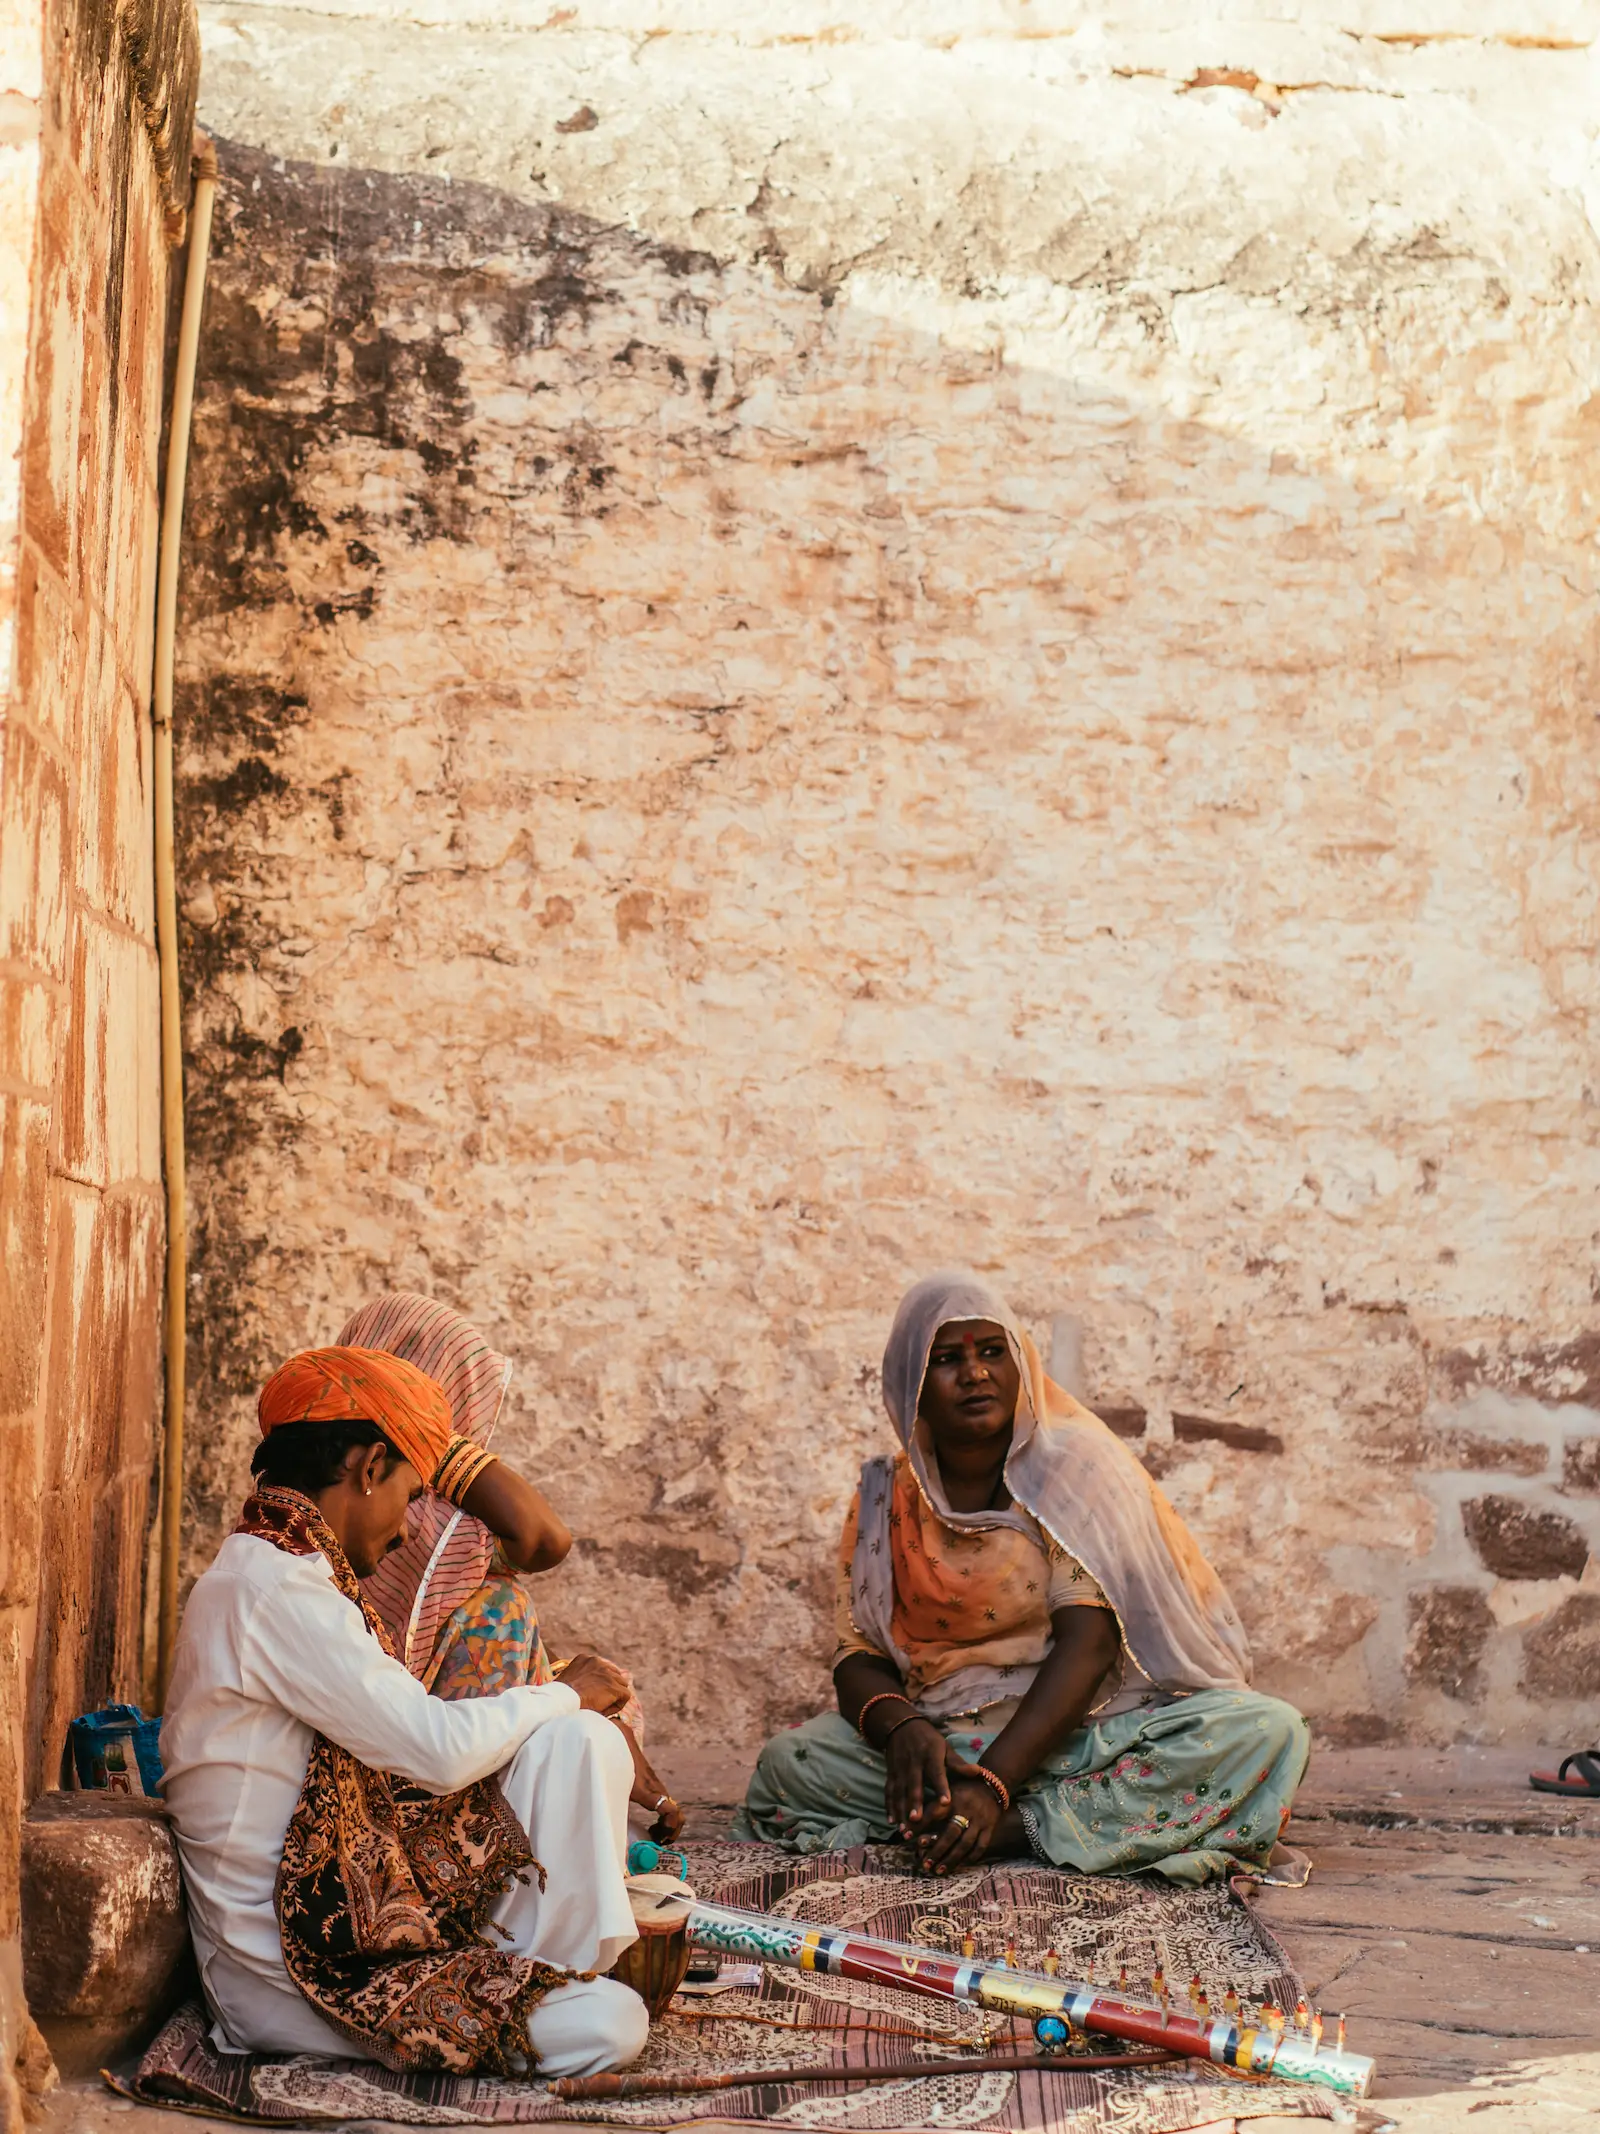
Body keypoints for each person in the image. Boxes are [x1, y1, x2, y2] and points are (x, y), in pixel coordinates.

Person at [161, 1346, 649, 2075]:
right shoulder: (271, 1590)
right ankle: (537, 1989)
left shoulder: (285, 1572)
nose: (412, 1526)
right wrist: (562, 1688)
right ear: (366, 1469)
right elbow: (435, 1749)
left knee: (578, 1744)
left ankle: (531, 1976)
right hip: (294, 1976)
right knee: (615, 2024)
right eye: (413, 1493)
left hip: (346, 1916)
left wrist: (563, 1709)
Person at [735, 1271, 1310, 1884]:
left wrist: (994, 1787)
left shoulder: (1070, 1472)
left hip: (1081, 1739)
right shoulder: (886, 1494)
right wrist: (902, 1731)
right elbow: (859, 1654)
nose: (975, 1373)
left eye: (991, 1352)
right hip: (945, 1742)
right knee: (787, 1765)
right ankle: (1026, 1818)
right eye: (946, 1359)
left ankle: (1009, 1826)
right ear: (913, 1388)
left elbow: (1088, 1646)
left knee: (1265, 1731)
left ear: (1020, 1365)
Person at [341, 1292, 681, 1837]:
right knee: (504, 1610)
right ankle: (507, 1835)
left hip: (435, 1731)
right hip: (410, 1758)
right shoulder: (356, 1498)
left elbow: (541, 1541)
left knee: (608, 1696)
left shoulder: (434, 1504)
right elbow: (542, 1538)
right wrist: (429, 1440)